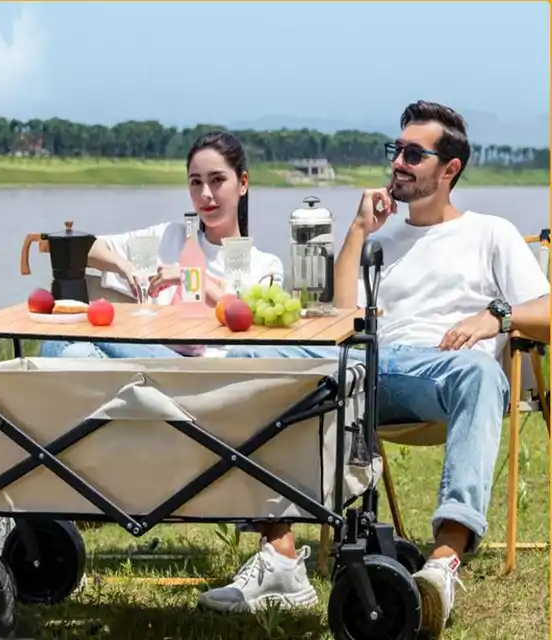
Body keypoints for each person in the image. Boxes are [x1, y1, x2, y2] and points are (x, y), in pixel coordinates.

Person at [198, 101, 550, 636]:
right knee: (252, 358)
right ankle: (280, 556)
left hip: (442, 373)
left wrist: (496, 317)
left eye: (413, 154)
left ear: (450, 169)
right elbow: (342, 318)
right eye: (396, 150)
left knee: (480, 374)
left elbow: (546, 310)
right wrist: (359, 230)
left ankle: (442, 565)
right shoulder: (380, 241)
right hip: (364, 366)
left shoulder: (490, 233)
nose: (398, 162)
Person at [40, 131, 283, 359]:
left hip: (204, 369)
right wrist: (122, 265)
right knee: (67, 348)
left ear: (243, 183)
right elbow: (81, 249)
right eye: (196, 182)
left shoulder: (266, 266)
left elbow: (252, 331)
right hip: (147, 362)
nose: (205, 194)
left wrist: (192, 278)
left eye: (217, 180)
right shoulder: (169, 237)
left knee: (74, 343)